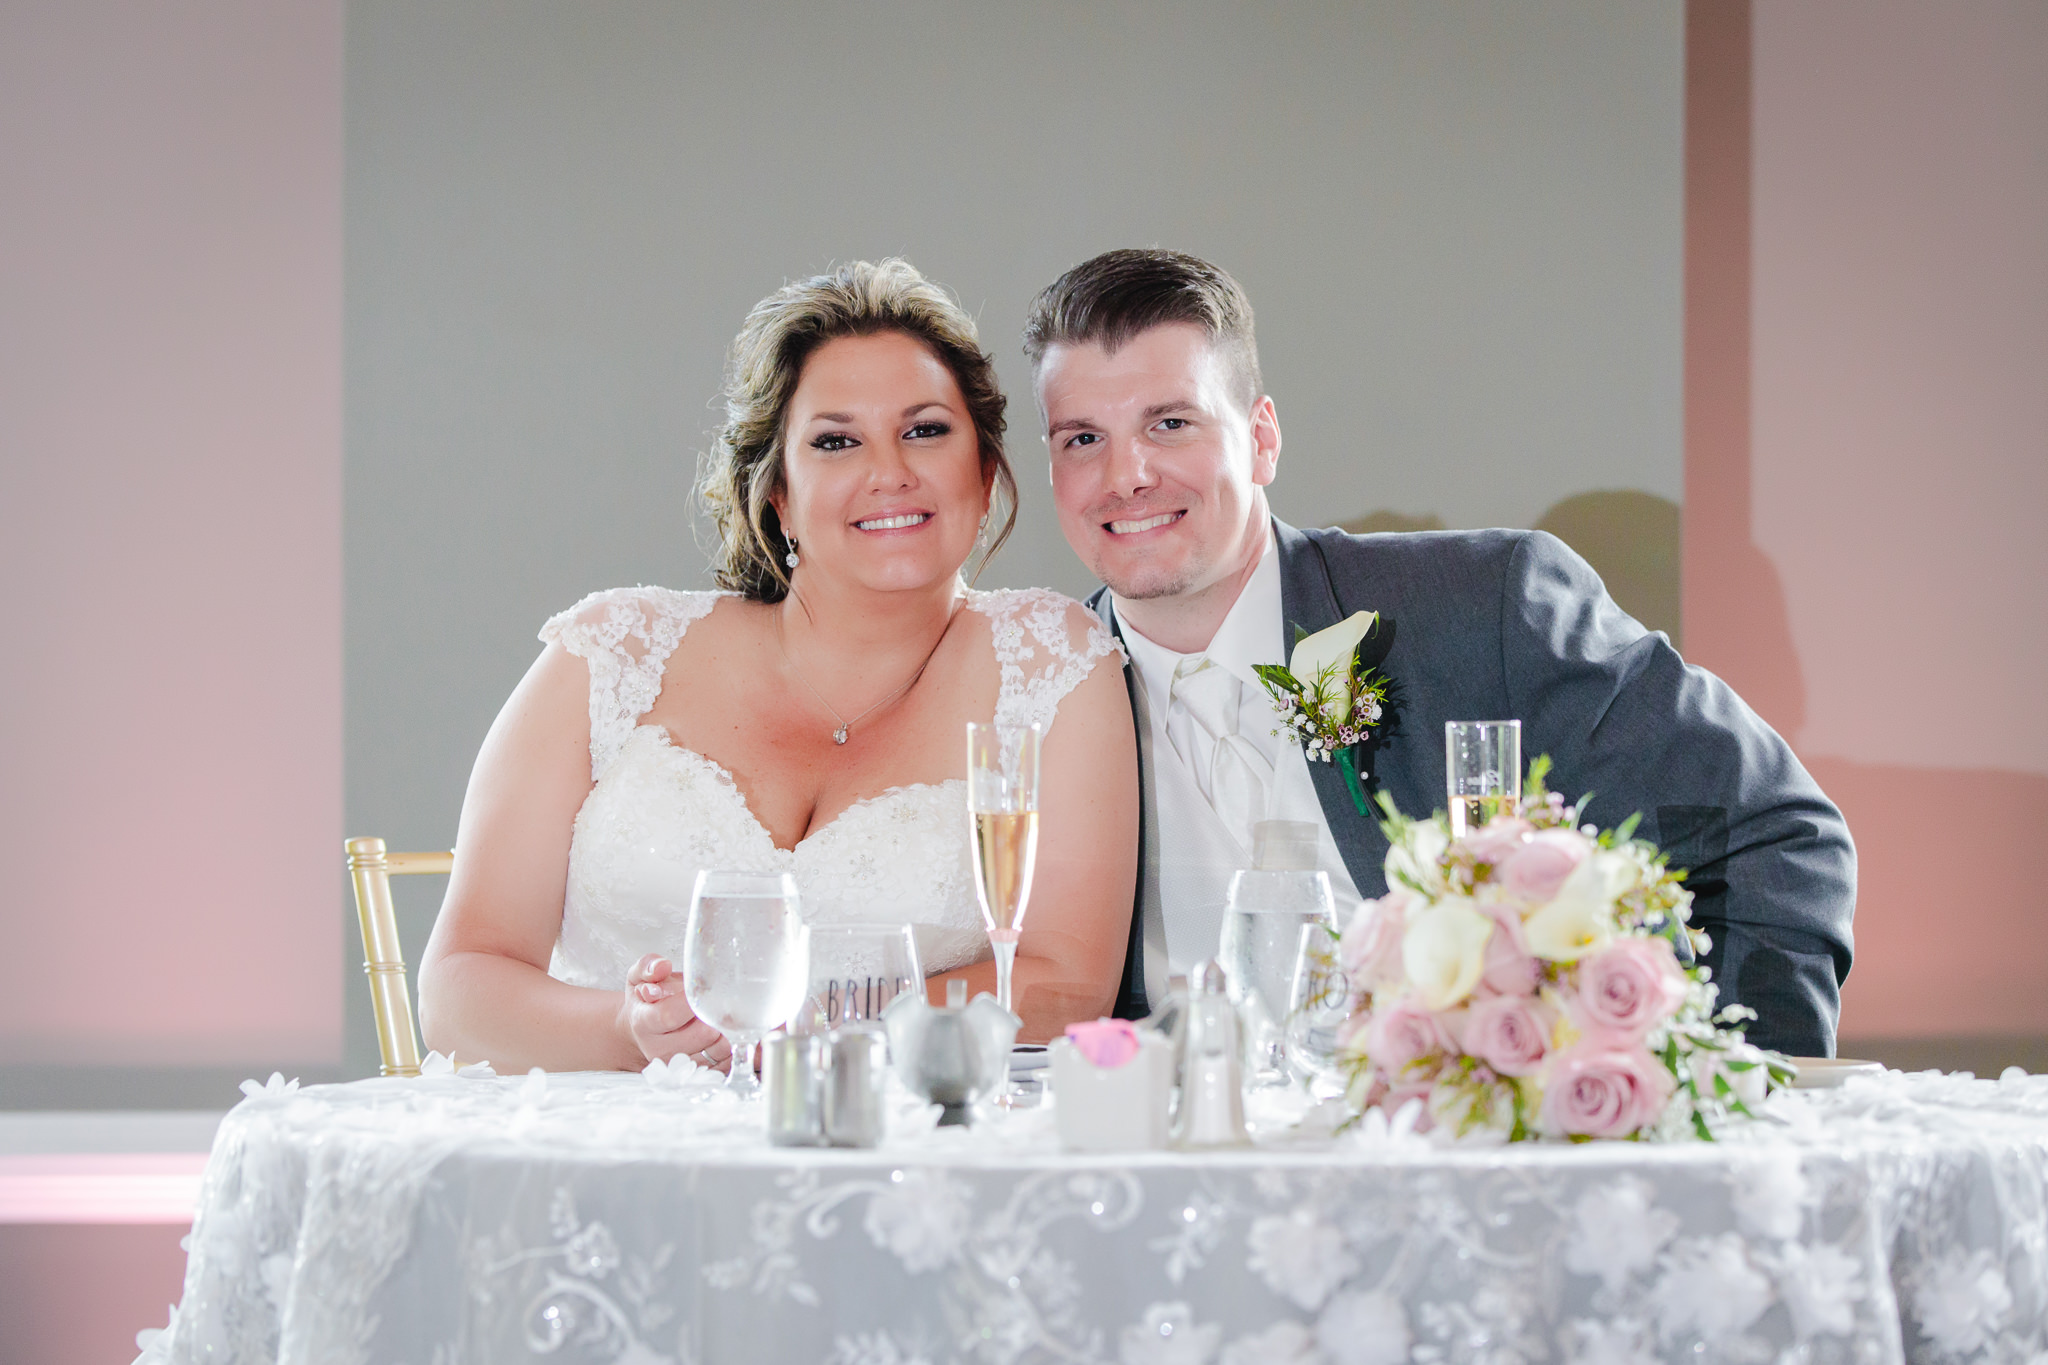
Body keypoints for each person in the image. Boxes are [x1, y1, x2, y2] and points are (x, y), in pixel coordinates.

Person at [1024, 248, 1856, 1058]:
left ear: (1262, 438)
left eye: (1169, 424)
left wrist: (1725, 1093)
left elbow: (1773, 836)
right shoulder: (1031, 701)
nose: (1126, 475)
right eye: (1082, 440)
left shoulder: (1483, 608)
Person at [417, 259, 1138, 1072]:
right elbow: (457, 987)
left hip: (889, 1155)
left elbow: (1069, 983)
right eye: (835, 441)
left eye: (925, 429)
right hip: (601, 1152)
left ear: (983, 471)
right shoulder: (610, 652)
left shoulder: (1058, 663)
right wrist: (630, 1028)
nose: (889, 470)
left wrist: (822, 1028)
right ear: (780, 495)